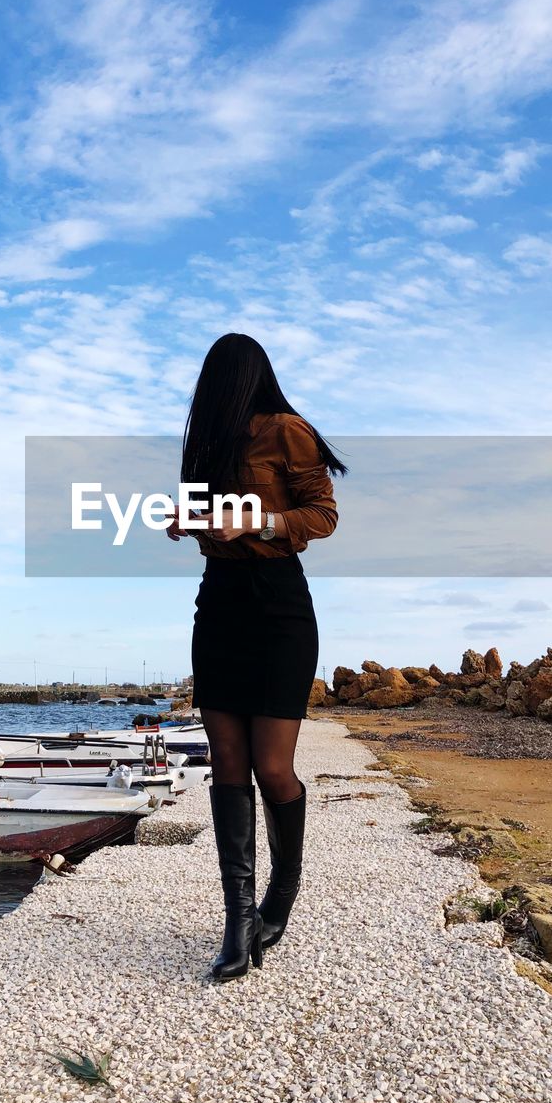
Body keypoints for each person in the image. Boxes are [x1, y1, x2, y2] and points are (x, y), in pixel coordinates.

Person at [168, 333, 346, 980]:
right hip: (218, 604)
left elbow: (321, 515)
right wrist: (189, 520)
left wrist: (255, 523)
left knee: (274, 768)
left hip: (278, 606)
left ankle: (281, 895)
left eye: (220, 379)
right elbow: (210, 516)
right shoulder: (207, 442)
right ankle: (237, 923)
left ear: (244, 378)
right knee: (227, 763)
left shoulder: (287, 430)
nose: (210, 393)